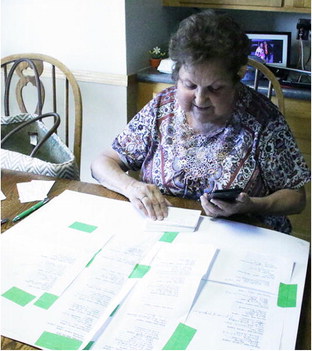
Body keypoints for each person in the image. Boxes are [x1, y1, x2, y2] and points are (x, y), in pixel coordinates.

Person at [91, 10, 310, 234]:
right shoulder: (161, 107)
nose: (200, 99)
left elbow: (296, 197)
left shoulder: (264, 121)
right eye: (189, 85)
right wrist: (131, 186)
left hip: (242, 236)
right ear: (177, 76)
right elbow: (102, 162)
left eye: (215, 88)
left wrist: (253, 205)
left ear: (237, 78)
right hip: (167, 232)